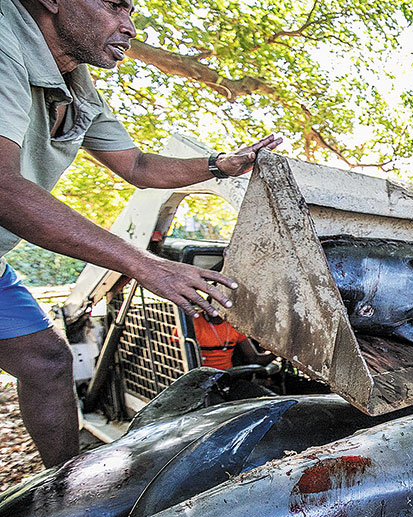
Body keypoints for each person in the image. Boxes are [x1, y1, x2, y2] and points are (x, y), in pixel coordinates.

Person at [0, 0, 281, 466]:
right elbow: (3, 189)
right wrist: (145, 264)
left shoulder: (73, 80)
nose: (128, 26)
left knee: (47, 363)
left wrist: (219, 165)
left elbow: (137, 165)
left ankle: (65, 494)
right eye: (114, 6)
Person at [193, 313, 273, 370]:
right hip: (201, 380)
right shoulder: (193, 324)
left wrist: (278, 353)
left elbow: (253, 358)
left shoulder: (235, 325)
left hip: (227, 377)